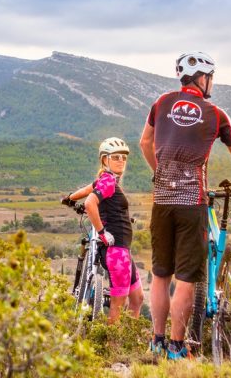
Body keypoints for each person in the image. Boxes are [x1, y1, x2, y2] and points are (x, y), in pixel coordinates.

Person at [139, 52, 231, 360]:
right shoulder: (215, 113)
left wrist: (158, 173)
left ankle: (156, 341)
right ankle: (176, 347)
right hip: (192, 203)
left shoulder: (161, 103)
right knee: (186, 277)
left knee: (161, 274)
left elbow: (145, 143)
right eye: (211, 77)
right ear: (203, 78)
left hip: (161, 201)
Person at [62, 137, 144, 323]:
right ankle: (111, 347)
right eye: (115, 157)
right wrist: (101, 232)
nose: (121, 160)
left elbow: (88, 189)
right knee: (118, 305)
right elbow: (91, 202)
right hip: (117, 250)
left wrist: (70, 198)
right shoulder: (108, 182)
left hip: (123, 250)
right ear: (105, 160)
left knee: (138, 299)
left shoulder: (106, 180)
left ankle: (127, 341)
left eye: (123, 157)